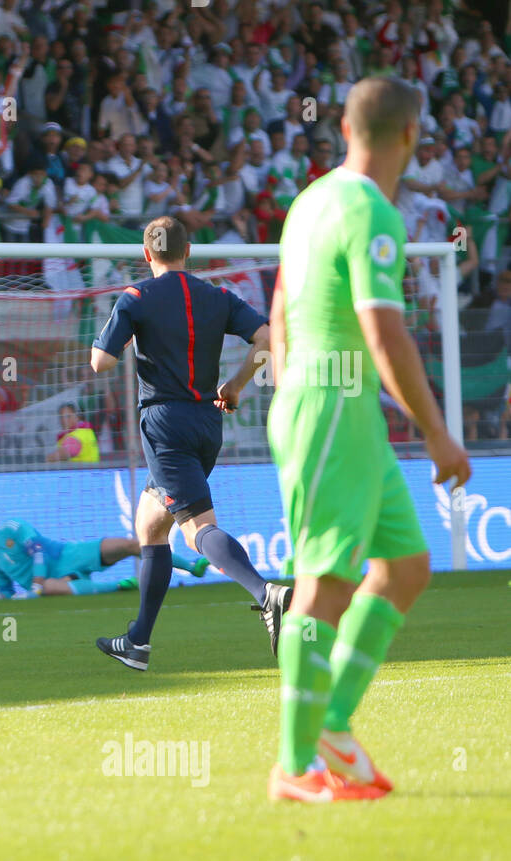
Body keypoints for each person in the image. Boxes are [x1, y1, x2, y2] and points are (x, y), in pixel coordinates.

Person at [265, 77, 471, 803]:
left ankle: (333, 726)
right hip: (330, 405)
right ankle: (294, 765)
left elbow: (282, 303)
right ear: (410, 137)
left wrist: (295, 383)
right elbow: (385, 331)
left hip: (338, 407)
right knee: (326, 584)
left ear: (347, 128)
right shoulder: (374, 211)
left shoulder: (310, 199)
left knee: (406, 567)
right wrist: (440, 435)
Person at [89, 216, 277, 671]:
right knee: (152, 524)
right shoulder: (217, 295)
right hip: (208, 421)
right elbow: (268, 337)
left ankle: (268, 595)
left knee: (195, 529)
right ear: (189, 252)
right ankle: (138, 642)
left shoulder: (136, 297)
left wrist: (128, 335)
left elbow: (100, 363)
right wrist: (234, 385)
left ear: (146, 254)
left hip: (164, 422)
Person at [0, 507, 208, 598]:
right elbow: (6, 592)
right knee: (49, 588)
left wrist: (36, 580)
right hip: (52, 583)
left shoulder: (11, 528)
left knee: (130, 545)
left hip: (69, 555)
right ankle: (121, 585)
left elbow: (37, 550)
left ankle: (191, 566)